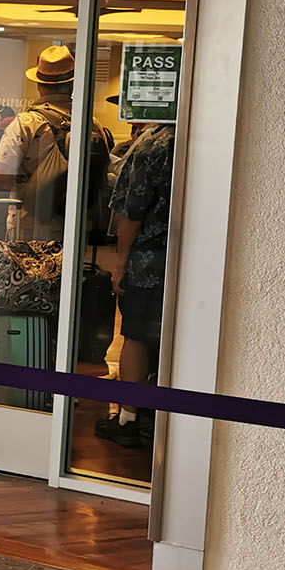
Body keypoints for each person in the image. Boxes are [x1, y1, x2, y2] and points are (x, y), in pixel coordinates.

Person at [94, 123, 175, 447]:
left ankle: (129, 419)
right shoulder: (207, 132)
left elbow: (131, 213)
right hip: (196, 260)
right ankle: (160, 415)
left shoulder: (154, 144)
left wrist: (121, 262)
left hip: (150, 259)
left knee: (137, 335)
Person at [0, 45, 112, 240]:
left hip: (31, 226)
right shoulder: (92, 123)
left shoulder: (26, 123)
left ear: (39, 85)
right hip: (76, 228)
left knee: (30, 271)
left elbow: (2, 176)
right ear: (72, 85)